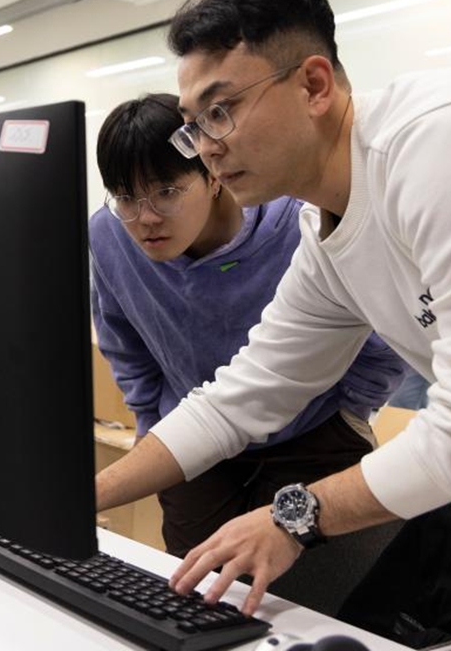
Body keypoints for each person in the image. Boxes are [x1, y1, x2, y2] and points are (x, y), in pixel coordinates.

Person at [95, 0, 451, 617]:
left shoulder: (436, 150)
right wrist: (87, 492)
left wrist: (292, 516)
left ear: (314, 85)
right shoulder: (324, 232)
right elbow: (243, 397)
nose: (207, 147)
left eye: (220, 111)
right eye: (194, 125)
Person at [89, 93, 405, 556]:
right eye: (126, 199)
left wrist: (349, 413)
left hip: (312, 431)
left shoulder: (297, 222)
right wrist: (149, 420)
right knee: (193, 587)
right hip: (192, 437)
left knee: (311, 593)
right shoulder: (110, 234)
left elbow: (381, 333)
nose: (146, 219)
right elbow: (125, 344)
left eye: (167, 192)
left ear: (212, 176)